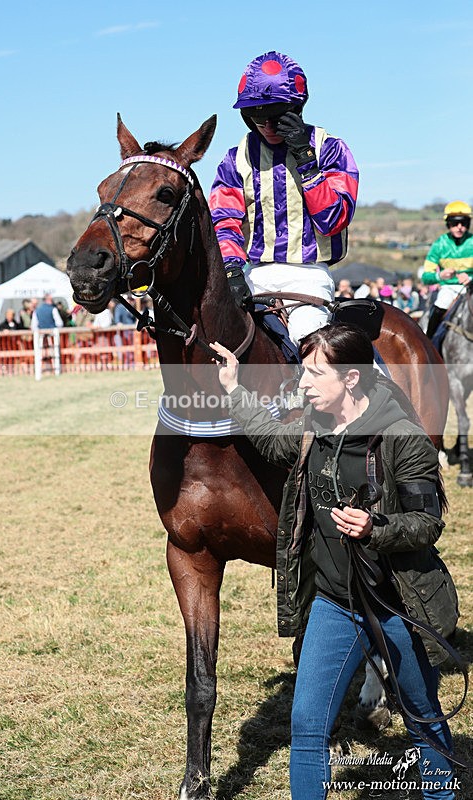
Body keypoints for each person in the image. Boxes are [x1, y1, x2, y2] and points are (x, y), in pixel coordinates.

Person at [210, 323, 460, 800]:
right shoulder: (312, 428)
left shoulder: (402, 436)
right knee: (306, 725)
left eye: (313, 373)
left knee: (422, 715)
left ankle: (439, 795)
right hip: (333, 602)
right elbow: (268, 437)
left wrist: (375, 529)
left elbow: (427, 524)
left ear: (350, 379)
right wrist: (233, 389)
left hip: (398, 604)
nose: (302, 383)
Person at [209, 51, 359, 345]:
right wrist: (230, 267)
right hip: (254, 275)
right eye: (257, 118)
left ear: (296, 108)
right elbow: (223, 221)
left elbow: (333, 221)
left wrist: (307, 162)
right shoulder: (234, 159)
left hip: (309, 277)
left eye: (276, 118)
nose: (266, 127)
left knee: (308, 344)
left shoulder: (330, 149)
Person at [422, 201, 473, 339]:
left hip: (471, 288)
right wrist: (440, 276)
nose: (460, 227)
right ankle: (430, 342)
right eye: (455, 223)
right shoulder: (439, 244)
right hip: (448, 289)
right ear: (448, 224)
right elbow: (426, 277)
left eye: (463, 223)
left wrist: (470, 279)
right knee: (441, 303)